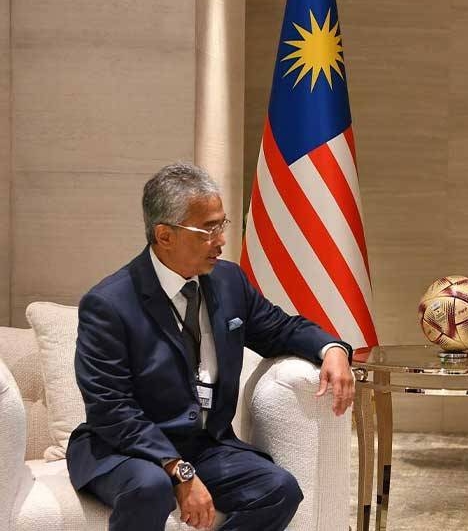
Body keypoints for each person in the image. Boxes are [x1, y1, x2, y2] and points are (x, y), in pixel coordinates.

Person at [67, 162, 356, 531]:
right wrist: (179, 472)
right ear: (164, 235)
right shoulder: (109, 304)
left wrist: (331, 348)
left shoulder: (228, 280)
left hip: (204, 445)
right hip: (126, 449)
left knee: (279, 488)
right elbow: (111, 408)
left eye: (222, 224)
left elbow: (280, 329)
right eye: (207, 229)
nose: (221, 240)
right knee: (151, 487)